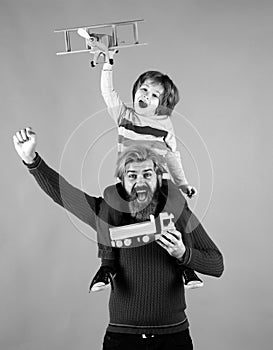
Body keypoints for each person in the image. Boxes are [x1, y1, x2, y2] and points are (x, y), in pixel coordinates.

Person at [13, 127, 224, 350]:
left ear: (159, 178)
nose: (140, 182)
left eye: (147, 175)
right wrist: (32, 160)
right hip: (122, 338)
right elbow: (65, 194)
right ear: (121, 181)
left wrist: (183, 253)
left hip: (173, 337)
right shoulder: (107, 213)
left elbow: (217, 264)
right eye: (132, 176)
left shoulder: (179, 213)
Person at [90, 54, 202, 292]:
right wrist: (108, 64)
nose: (146, 97)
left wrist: (182, 184)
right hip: (128, 183)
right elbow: (107, 93)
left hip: (155, 184)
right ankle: (107, 266)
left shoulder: (165, 127)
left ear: (162, 104)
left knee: (177, 205)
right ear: (135, 91)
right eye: (144, 89)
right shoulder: (124, 115)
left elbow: (173, 156)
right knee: (108, 202)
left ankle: (186, 268)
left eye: (154, 95)